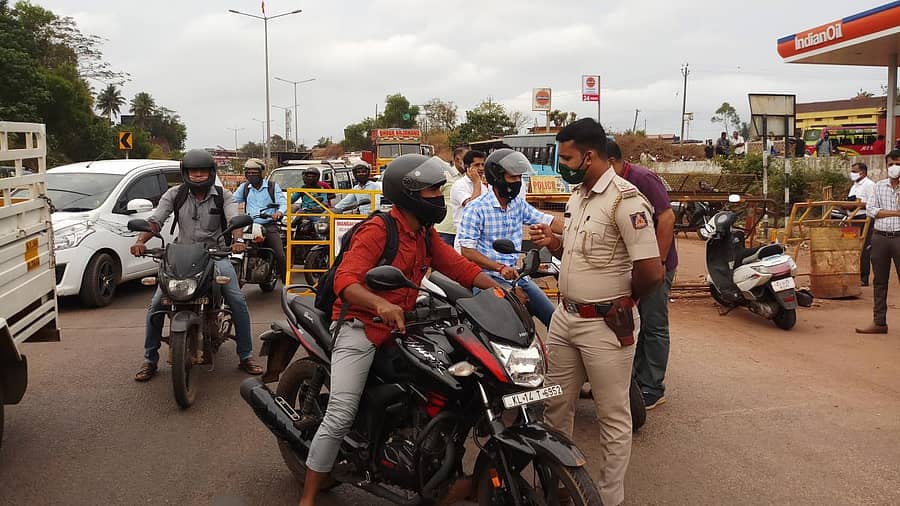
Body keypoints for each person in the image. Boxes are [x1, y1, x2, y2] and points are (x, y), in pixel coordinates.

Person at [298, 154, 500, 506]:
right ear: (408, 194)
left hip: (403, 324)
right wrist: (380, 304)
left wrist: (497, 288)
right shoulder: (378, 230)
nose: (438, 196)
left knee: (454, 381)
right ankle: (309, 496)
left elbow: (457, 266)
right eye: (431, 190)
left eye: (439, 189)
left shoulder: (424, 232)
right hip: (361, 325)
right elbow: (346, 280)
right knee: (340, 414)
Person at [530, 118, 664, 506]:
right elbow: (579, 254)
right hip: (565, 318)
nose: (562, 165)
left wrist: (627, 300)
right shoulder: (578, 197)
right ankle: (557, 485)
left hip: (605, 324)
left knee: (612, 414)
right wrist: (554, 243)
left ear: (589, 157)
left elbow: (651, 270)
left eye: (567, 158)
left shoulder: (626, 201)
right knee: (556, 405)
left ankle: (607, 497)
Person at [130, 149, 262, 381]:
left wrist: (238, 241)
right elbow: (155, 221)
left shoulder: (223, 195)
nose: (198, 175)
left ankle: (246, 356)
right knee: (156, 305)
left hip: (215, 255)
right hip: (181, 255)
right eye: (193, 171)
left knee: (237, 301)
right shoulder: (174, 194)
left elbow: (234, 220)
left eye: (203, 171)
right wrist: (140, 241)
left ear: (211, 172)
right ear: (186, 173)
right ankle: (150, 360)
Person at [456, 148, 563, 328]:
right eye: (513, 177)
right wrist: (499, 267)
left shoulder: (517, 205)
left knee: (554, 320)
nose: (518, 182)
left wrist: (574, 230)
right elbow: (467, 251)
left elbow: (548, 221)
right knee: (506, 327)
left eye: (520, 177)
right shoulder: (476, 208)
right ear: (497, 177)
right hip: (486, 279)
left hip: (516, 275)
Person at [608, 141, 677, 409]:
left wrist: (658, 263)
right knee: (637, 321)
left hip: (656, 265)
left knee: (654, 323)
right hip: (633, 265)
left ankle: (653, 387)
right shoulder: (612, 184)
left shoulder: (643, 178)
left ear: (610, 161)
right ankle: (638, 377)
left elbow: (667, 218)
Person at [856, 151, 900, 334]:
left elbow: (877, 210)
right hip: (880, 237)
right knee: (879, 281)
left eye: (897, 163)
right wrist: (896, 213)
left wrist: (883, 212)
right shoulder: (879, 186)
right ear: (886, 166)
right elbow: (871, 210)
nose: (894, 167)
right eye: (891, 164)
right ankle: (879, 322)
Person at [233, 158, 288, 283]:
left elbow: (283, 203)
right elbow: (231, 201)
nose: (251, 175)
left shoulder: (272, 186)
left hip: (268, 225)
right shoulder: (245, 187)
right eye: (248, 173)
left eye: (254, 172)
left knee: (280, 254)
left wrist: (279, 212)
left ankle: (286, 284)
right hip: (249, 226)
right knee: (233, 246)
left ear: (261, 173)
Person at [448, 150, 488, 249]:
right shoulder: (459, 185)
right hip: (465, 239)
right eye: (477, 165)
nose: (481, 168)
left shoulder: (483, 186)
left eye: (483, 165)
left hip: (482, 239)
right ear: (467, 167)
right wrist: (477, 183)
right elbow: (473, 208)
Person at [849, 162, 876, 286]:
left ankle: (863, 277)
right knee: (852, 248)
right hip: (852, 219)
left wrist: (858, 205)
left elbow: (873, 203)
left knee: (864, 248)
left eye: (854, 171)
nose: (852, 173)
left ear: (862, 172)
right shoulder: (854, 186)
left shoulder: (869, 185)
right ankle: (853, 274)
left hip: (864, 219)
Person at [434, 147, 469, 247]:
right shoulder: (445, 176)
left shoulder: (470, 178)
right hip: (446, 229)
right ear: (457, 159)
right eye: (467, 159)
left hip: (463, 230)